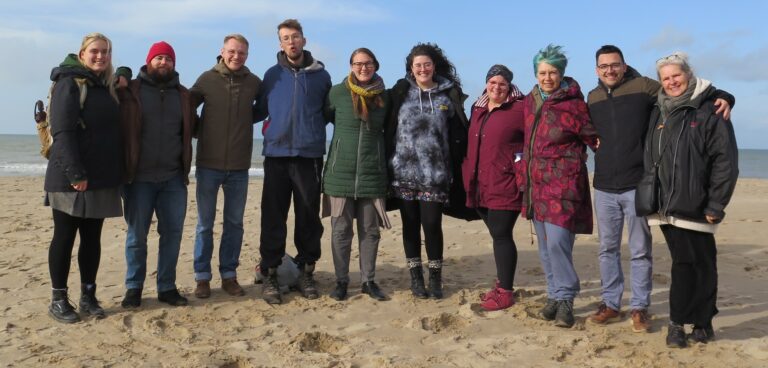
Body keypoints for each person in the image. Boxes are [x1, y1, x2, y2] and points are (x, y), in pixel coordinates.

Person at [586, 45, 734, 332]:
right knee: (607, 249)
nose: (609, 70)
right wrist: (589, 141)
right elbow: (582, 127)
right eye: (604, 66)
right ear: (597, 70)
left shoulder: (645, 87)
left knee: (640, 250)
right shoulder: (591, 98)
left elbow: (686, 91)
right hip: (603, 185)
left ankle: (640, 307)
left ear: (624, 64)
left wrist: (725, 96)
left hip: (637, 185)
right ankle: (611, 303)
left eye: (614, 64)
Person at [644, 52, 738, 348]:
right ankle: (696, 321)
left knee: (701, 263)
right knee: (688, 262)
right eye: (666, 78)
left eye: (676, 76)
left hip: (698, 204)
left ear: (689, 75)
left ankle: (687, 322)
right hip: (665, 204)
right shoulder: (657, 110)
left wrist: (716, 204)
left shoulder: (710, 109)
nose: (672, 82)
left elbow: (726, 161)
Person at [44, 32, 123, 323]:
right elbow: (62, 132)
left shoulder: (105, 86)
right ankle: (58, 299)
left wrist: (123, 74)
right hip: (69, 178)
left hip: (100, 177)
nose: (101, 56)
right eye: (95, 51)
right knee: (64, 238)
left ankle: (88, 296)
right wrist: (75, 174)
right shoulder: (69, 83)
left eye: (106, 52)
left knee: (92, 240)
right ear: (82, 54)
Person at [385, 43, 472, 300]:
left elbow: (461, 133)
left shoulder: (449, 95)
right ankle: (415, 278)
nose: (422, 69)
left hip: (435, 175)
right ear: (411, 69)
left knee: (432, 225)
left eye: (427, 64)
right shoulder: (400, 93)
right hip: (403, 174)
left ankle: (435, 278)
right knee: (410, 225)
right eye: (417, 65)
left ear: (434, 66)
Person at [521, 44, 598, 328]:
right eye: (542, 72)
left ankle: (566, 298)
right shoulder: (530, 101)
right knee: (544, 246)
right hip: (535, 187)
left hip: (564, 186)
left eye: (552, 72)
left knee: (558, 244)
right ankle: (553, 295)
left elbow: (595, 138)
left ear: (561, 73)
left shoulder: (575, 103)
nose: (547, 77)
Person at [255, 19, 332, 305]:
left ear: (304, 40)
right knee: (273, 216)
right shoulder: (271, 75)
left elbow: (327, 111)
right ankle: (271, 272)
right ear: (280, 43)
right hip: (275, 155)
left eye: (296, 36)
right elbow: (260, 110)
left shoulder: (321, 76)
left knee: (308, 217)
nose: (291, 42)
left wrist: (310, 131)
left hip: (309, 155)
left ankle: (306, 270)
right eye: (286, 38)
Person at [117, 41, 195, 308]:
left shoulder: (183, 95)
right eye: (159, 58)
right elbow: (108, 87)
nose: (164, 63)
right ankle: (134, 287)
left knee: (172, 235)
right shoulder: (131, 90)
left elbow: (194, 129)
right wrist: (122, 72)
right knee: (136, 236)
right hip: (139, 178)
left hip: (174, 178)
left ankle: (167, 286)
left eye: (168, 59)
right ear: (149, 61)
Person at [189, 34, 262, 299]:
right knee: (204, 225)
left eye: (242, 53)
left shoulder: (254, 82)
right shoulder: (207, 79)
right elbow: (186, 108)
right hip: (208, 165)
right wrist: (201, 132)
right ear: (222, 51)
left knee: (234, 223)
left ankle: (229, 275)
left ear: (247, 55)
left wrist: (244, 124)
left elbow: (262, 109)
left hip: (240, 166)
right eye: (232, 51)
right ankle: (202, 278)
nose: (236, 56)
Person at [322, 48, 391, 301]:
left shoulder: (385, 96)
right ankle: (341, 281)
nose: (363, 68)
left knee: (370, 231)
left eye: (368, 63)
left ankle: (368, 281)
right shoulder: (337, 93)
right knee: (340, 231)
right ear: (351, 66)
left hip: (373, 174)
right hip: (339, 174)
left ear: (376, 65)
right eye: (358, 63)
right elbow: (327, 117)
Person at [462, 64, 525, 311]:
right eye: (493, 82)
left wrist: (517, 164)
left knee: (501, 235)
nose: (496, 87)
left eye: (502, 83)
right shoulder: (477, 107)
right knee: (496, 235)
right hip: (478, 183)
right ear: (486, 83)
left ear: (509, 86)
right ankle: (501, 282)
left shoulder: (520, 108)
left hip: (504, 182)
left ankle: (505, 292)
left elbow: (529, 142)